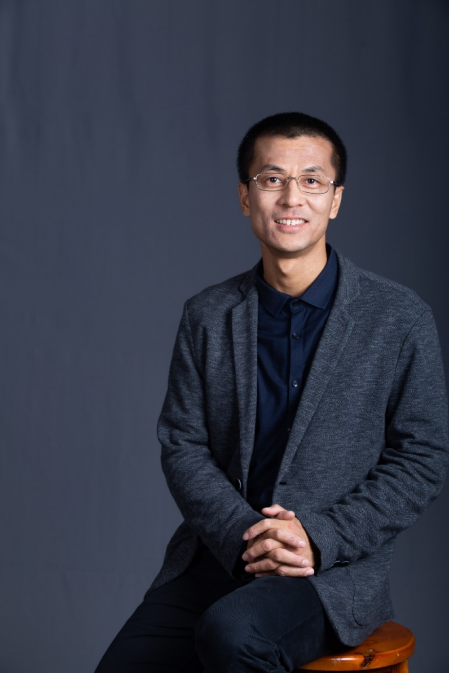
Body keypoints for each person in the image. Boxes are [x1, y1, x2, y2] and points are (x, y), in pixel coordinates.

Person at [96, 112, 448, 673]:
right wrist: (244, 535)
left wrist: (318, 536)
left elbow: (423, 457)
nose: (291, 197)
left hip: (326, 571)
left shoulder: (399, 318)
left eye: (312, 180)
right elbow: (183, 444)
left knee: (233, 635)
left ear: (335, 200)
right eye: (272, 179)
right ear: (245, 196)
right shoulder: (208, 315)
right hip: (222, 553)